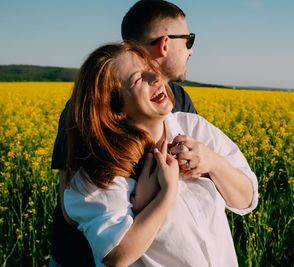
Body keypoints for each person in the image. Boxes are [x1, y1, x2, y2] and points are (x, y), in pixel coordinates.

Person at [63, 41, 258, 266]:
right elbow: (116, 256)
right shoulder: (102, 170)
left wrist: (212, 163)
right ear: (116, 110)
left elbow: (247, 199)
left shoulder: (194, 128)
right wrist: (166, 194)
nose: (155, 79)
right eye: (138, 79)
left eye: (150, 69)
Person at [50, 1, 196, 265]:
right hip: (80, 259)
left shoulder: (179, 101)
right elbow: (69, 209)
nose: (191, 51)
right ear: (165, 44)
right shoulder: (90, 110)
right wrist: (147, 199)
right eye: (188, 40)